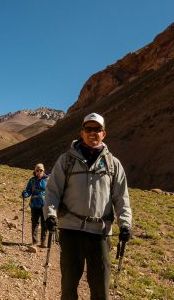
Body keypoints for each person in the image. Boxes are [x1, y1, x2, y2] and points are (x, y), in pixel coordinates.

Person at [43, 112, 132, 300]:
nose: (93, 133)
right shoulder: (66, 160)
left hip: (100, 232)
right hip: (70, 229)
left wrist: (125, 224)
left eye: (97, 129)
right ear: (81, 133)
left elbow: (121, 197)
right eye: (89, 129)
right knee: (69, 286)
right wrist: (50, 215)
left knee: (101, 289)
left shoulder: (113, 164)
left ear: (104, 133)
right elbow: (52, 191)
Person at [22, 163, 49, 247]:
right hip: (34, 204)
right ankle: (34, 241)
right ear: (35, 171)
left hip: (45, 204)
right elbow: (28, 191)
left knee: (44, 224)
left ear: (43, 170)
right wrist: (25, 194)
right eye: (37, 170)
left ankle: (43, 242)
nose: (39, 172)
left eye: (41, 170)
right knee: (35, 223)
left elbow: (52, 191)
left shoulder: (48, 180)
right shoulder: (32, 180)